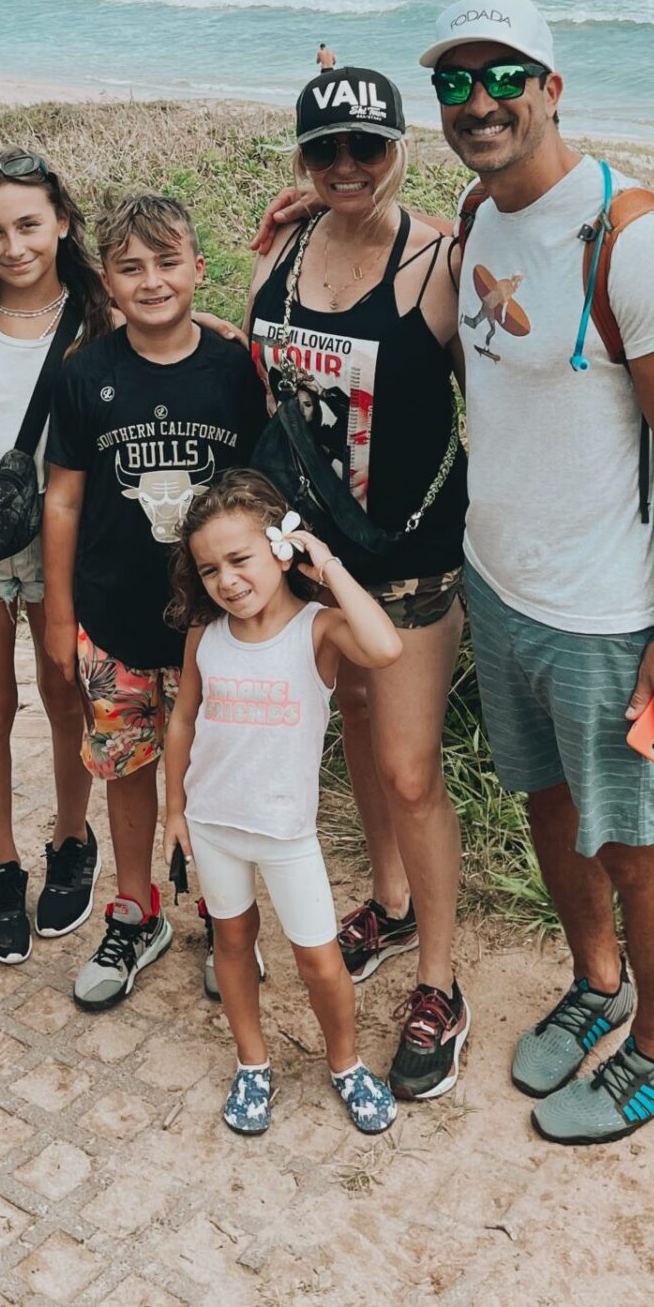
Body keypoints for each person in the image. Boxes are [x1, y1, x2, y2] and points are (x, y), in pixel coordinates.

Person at [425, 0, 654, 1143]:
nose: (480, 101)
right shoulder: (476, 212)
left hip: (613, 620)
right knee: (551, 808)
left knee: (642, 836)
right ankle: (596, 979)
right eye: (456, 82)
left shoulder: (633, 236)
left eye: (504, 75)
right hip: (502, 592)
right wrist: (329, 215)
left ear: (553, 88)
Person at [246, 66, 471, 1102]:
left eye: (366, 149)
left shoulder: (441, 261)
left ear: (401, 148)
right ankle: (391, 902)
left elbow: (501, 392)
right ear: (300, 160)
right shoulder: (280, 253)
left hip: (413, 562)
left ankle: (441, 984)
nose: (345, 168)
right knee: (364, 747)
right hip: (311, 560)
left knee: (412, 767)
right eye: (323, 152)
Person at [42, 192, 265, 1011]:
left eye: (168, 263)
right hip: (114, 620)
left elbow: (263, 493)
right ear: (106, 281)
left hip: (222, 626)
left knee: (216, 775)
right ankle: (136, 910)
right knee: (127, 770)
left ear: (199, 270)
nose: (152, 281)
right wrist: (62, 617)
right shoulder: (86, 376)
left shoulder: (234, 370)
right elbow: (62, 501)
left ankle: (225, 917)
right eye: (130, 268)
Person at [163, 470, 402, 1137]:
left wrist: (327, 566)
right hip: (213, 824)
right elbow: (182, 720)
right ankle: (252, 1063)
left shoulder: (318, 629)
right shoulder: (205, 635)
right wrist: (173, 813)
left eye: (240, 559)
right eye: (209, 569)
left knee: (318, 959)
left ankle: (347, 1064)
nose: (227, 580)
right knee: (231, 941)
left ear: (279, 546)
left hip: (285, 831)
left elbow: (384, 648)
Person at [0, 149, 113, 962]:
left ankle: (72, 839)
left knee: (68, 695)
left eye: (29, 225)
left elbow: (176, 332)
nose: (14, 246)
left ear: (62, 222)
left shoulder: (101, 315)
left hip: (66, 538)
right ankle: (1, 863)